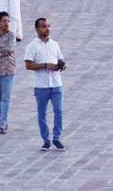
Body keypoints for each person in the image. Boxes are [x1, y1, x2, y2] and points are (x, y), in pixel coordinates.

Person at [24, 17, 66, 151]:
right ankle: (46, 139)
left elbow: (60, 59)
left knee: (58, 111)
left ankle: (57, 138)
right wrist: (45, 66)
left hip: (56, 83)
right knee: (41, 113)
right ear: (37, 29)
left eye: (48, 26)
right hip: (41, 85)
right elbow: (28, 65)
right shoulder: (32, 46)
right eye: (43, 26)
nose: (47, 29)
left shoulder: (55, 44)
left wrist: (61, 65)